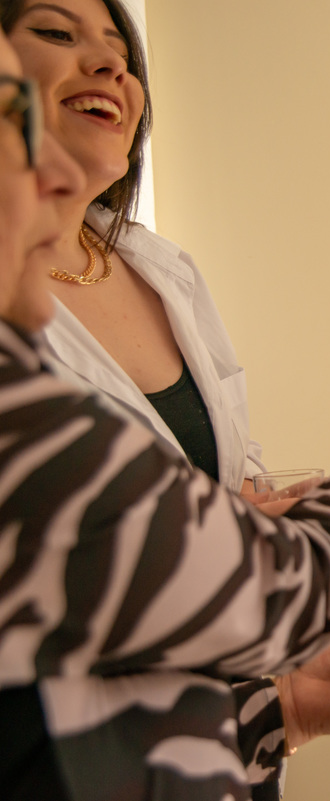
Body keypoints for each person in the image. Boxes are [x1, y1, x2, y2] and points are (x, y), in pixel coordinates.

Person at [0, 36, 330, 801]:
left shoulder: (161, 268)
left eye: (124, 48)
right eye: (10, 115)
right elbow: (296, 580)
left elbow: (64, 720)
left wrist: (278, 708)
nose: (51, 176)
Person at [1, 0, 265, 494]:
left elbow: (230, 467)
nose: (112, 65)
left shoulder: (164, 271)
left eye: (121, 51)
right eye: (57, 34)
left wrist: (256, 509)